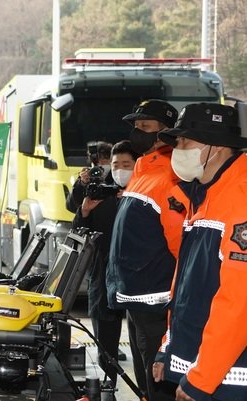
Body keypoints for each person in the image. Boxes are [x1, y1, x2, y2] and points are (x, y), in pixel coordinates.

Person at [152, 103, 247, 401]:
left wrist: (202, 379)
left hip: (229, 378)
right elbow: (186, 282)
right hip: (202, 364)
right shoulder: (203, 195)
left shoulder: (240, 197)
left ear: (215, 147)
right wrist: (169, 346)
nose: (176, 149)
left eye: (183, 141)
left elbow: (238, 303)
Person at [106, 99, 184, 401]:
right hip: (134, 297)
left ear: (165, 133)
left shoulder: (170, 176)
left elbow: (180, 246)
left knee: (158, 380)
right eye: (136, 127)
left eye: (145, 128)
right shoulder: (142, 169)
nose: (138, 133)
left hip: (156, 299)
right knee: (144, 384)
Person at [71, 140, 139, 384]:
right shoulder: (102, 191)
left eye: (126, 164)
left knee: (141, 344)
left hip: (138, 279)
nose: (120, 169)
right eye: (115, 164)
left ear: (137, 165)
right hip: (103, 274)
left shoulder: (145, 192)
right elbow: (79, 233)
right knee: (105, 345)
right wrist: (85, 211)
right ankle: (108, 386)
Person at [66, 140, 114, 213]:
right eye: (96, 161)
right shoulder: (87, 176)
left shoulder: (116, 178)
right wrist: (82, 184)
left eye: (104, 159)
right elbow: (71, 206)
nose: (100, 164)